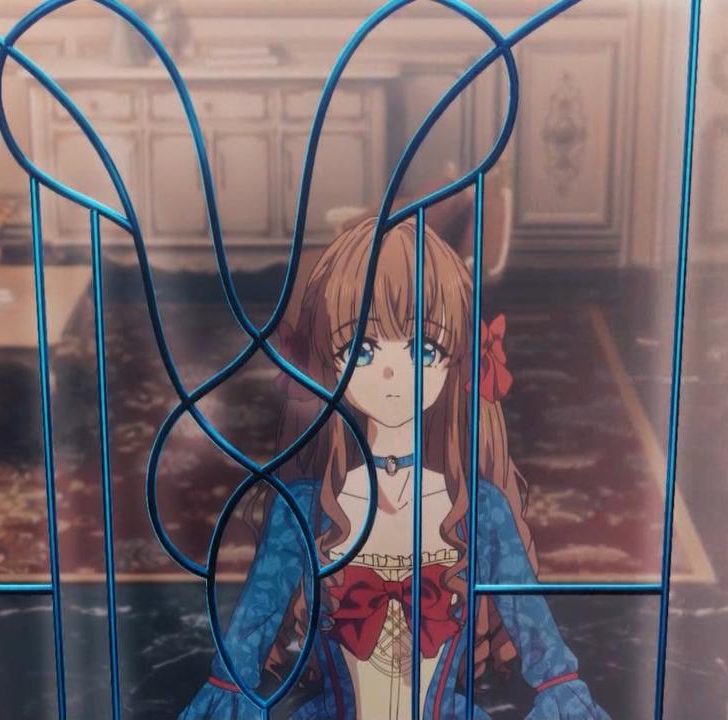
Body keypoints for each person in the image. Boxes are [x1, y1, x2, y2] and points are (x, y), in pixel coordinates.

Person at [179, 217, 610, 719]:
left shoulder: (480, 510)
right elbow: (240, 656)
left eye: (423, 349)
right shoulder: (302, 509)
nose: (390, 371)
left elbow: (549, 660)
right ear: (326, 361)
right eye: (360, 349)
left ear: (456, 361)